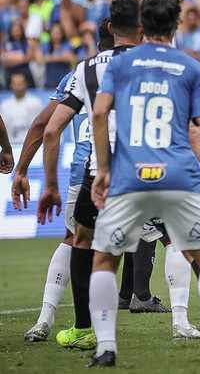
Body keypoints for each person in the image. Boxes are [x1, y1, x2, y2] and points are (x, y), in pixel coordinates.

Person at [88, 0, 200, 366]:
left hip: (128, 176)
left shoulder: (119, 65)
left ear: (142, 25)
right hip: (179, 176)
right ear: (177, 24)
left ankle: (106, 347)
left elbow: (100, 114)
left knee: (105, 261)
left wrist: (103, 170)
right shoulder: (192, 67)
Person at [42, 0, 143, 352]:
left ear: (108, 30)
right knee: (185, 243)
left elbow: (51, 131)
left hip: (102, 171)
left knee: (84, 244)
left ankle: (87, 330)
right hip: (153, 169)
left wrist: (51, 186)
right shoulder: (156, 62)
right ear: (141, 29)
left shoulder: (85, 69)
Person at [12, 18, 113, 343]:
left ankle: (53, 321)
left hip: (84, 172)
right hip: (135, 173)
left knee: (76, 240)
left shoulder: (80, 73)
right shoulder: (143, 65)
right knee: (173, 238)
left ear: (98, 45)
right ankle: (185, 322)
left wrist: (23, 171)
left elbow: (46, 125)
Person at [0, 72, 44, 145]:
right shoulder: (5, 105)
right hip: (12, 144)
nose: (18, 86)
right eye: (15, 84)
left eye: (20, 83)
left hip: (31, 144)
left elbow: (42, 124)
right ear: (11, 85)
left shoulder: (35, 102)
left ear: (26, 84)